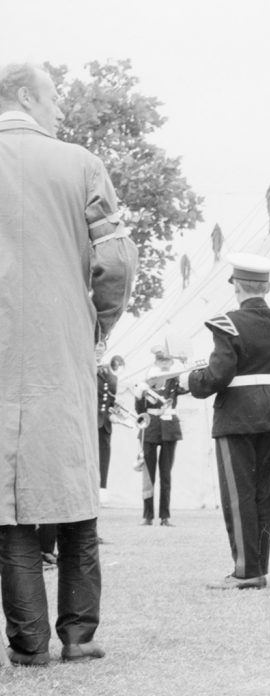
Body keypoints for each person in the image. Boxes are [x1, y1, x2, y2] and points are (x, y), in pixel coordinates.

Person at [0, 63, 138, 665]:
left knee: (8, 499)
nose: (60, 108)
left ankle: (27, 643)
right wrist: (98, 326)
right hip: (62, 343)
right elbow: (113, 261)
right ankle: (78, 636)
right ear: (27, 96)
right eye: (54, 97)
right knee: (75, 481)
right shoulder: (80, 162)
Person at [188, 253, 270, 589]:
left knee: (239, 495)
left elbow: (218, 377)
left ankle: (245, 572)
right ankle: (257, 568)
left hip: (236, 415)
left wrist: (192, 380)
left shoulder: (228, 323)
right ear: (265, 287)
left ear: (236, 286)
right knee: (262, 495)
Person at [136, 346, 184, 527]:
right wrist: (140, 394)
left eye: (167, 361)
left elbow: (188, 388)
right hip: (150, 426)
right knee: (148, 474)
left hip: (169, 428)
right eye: (161, 361)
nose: (164, 365)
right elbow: (139, 410)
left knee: (166, 474)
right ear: (156, 362)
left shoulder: (175, 380)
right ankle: (147, 515)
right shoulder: (147, 381)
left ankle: (165, 516)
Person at [96, 348, 123, 505]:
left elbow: (110, 397)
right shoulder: (85, 366)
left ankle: (102, 489)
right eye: (96, 345)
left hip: (104, 421)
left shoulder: (109, 372)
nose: (99, 349)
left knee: (104, 458)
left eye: (102, 346)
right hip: (89, 420)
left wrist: (114, 410)